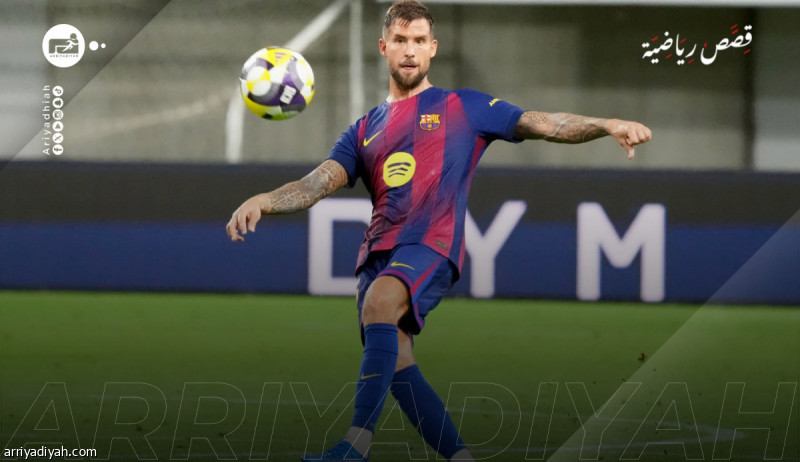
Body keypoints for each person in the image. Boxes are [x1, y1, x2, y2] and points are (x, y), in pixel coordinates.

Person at [226, 1, 652, 460]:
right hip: (378, 254)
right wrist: (264, 200)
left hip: (431, 245)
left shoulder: (463, 107)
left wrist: (607, 124)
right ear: (384, 47)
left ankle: (354, 448)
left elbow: (545, 124)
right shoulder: (363, 129)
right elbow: (317, 184)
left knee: (381, 303)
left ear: (433, 48)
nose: (410, 51)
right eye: (400, 41)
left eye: (419, 41)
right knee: (398, 365)